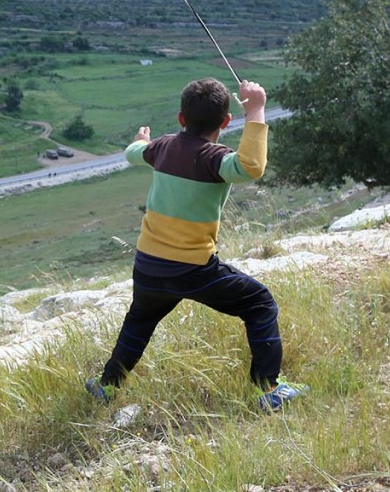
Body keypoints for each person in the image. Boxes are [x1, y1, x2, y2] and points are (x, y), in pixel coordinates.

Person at [86, 77, 307, 412]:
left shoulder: (160, 147)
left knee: (139, 322)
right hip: (192, 268)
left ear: (180, 119)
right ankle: (269, 388)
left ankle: (106, 386)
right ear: (225, 122)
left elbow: (133, 153)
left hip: (148, 262)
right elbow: (251, 165)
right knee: (260, 304)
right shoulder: (214, 159)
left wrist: (140, 138)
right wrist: (257, 109)